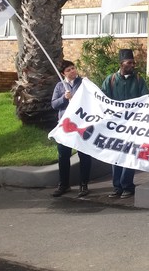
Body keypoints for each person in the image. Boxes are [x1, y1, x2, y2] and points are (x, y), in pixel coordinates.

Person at [101, 49, 149, 199]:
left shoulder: (139, 80)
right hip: (116, 125)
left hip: (133, 126)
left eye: (133, 63)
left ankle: (127, 186)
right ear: (121, 64)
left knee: (130, 154)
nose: (132, 65)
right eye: (129, 63)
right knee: (116, 155)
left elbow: (146, 99)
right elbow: (103, 100)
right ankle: (117, 187)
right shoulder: (110, 80)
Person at [50, 60, 92, 198]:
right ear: (63, 73)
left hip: (81, 125)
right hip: (65, 126)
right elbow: (54, 104)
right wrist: (64, 97)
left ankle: (84, 184)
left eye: (73, 68)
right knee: (63, 155)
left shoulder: (84, 83)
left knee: (84, 155)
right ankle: (64, 184)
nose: (72, 71)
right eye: (68, 70)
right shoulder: (59, 86)